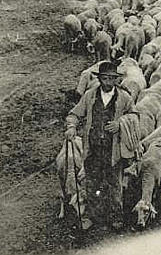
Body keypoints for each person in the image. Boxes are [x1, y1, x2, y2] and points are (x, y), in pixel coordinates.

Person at [64, 60, 136, 230]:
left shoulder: (124, 98)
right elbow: (74, 113)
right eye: (105, 78)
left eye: (112, 79)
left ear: (116, 79)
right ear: (99, 79)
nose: (108, 82)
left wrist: (120, 123)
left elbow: (134, 116)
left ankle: (116, 217)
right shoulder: (90, 96)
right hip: (93, 148)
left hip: (114, 149)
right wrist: (72, 127)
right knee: (92, 183)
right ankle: (91, 216)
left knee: (114, 184)